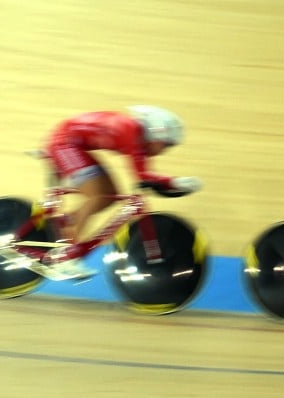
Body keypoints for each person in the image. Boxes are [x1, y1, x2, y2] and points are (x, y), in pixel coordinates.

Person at [40, 106, 203, 280]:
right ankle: (65, 258)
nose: (164, 151)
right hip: (64, 144)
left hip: (75, 144)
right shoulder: (130, 131)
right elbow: (142, 175)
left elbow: (145, 176)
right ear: (156, 133)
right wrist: (174, 182)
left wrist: (172, 184)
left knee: (109, 197)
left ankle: (65, 224)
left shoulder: (139, 137)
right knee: (97, 195)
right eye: (165, 145)